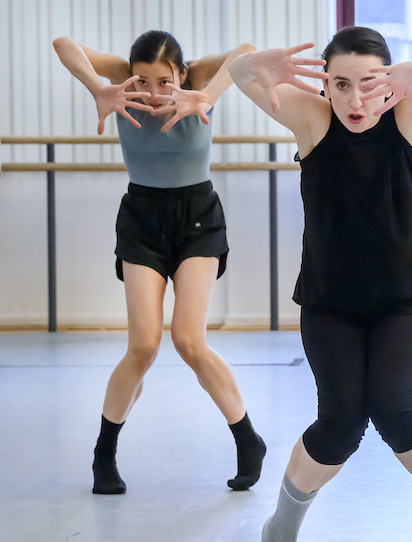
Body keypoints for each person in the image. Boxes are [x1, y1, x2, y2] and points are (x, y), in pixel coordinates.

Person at [229, 27, 412, 542]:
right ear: (324, 86)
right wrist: (255, 64)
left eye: (369, 84)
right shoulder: (313, 121)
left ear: (392, 83)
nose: (354, 99)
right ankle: (280, 529)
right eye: (340, 84)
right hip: (332, 304)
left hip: (406, 302)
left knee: (396, 411)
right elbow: (239, 75)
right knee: (340, 425)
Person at [53, 31, 265, 494]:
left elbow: (246, 52)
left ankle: (248, 440)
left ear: (182, 74)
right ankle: (103, 454)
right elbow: (63, 43)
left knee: (189, 339)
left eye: (163, 81)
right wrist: (98, 86)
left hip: (197, 218)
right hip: (142, 218)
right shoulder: (122, 84)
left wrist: (205, 96)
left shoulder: (199, 80)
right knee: (144, 347)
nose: (151, 93)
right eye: (142, 80)